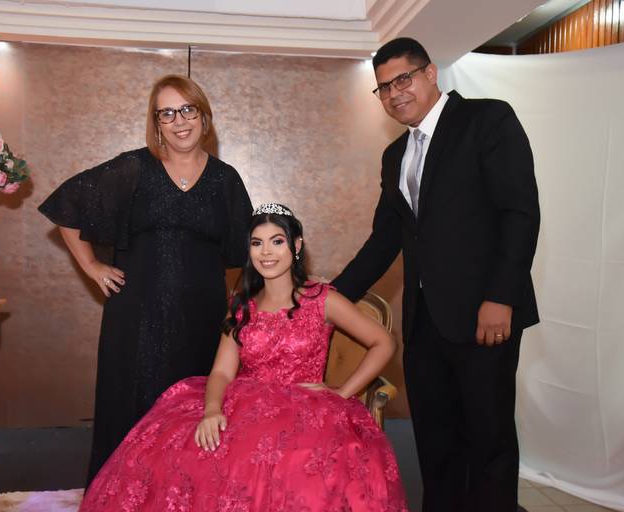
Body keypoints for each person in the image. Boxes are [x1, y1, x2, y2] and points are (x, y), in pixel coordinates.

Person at [78, 203, 408, 511]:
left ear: (296, 246)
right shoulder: (241, 307)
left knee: (295, 472)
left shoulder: (321, 299)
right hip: (246, 404)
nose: (266, 252)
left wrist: (343, 392)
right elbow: (221, 373)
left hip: (306, 411)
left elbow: (384, 343)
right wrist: (211, 410)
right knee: (175, 454)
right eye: (256, 243)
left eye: (277, 241)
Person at [332, 38, 540, 512]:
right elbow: (384, 241)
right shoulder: (394, 155)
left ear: (430, 73)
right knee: (436, 444)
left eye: (403, 79)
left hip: (485, 317)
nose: (394, 93)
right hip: (424, 324)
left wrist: (501, 296)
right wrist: (328, 298)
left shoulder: (487, 120)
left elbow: (519, 212)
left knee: (488, 443)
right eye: (384, 88)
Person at [38, 74, 252, 485]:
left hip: (202, 320)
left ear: (203, 117)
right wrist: (92, 266)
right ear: (156, 123)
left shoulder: (226, 179)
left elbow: (247, 251)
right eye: (166, 113)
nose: (179, 121)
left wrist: (237, 303)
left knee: (193, 417)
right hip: (136, 322)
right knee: (130, 416)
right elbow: (66, 206)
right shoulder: (134, 168)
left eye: (187, 109)